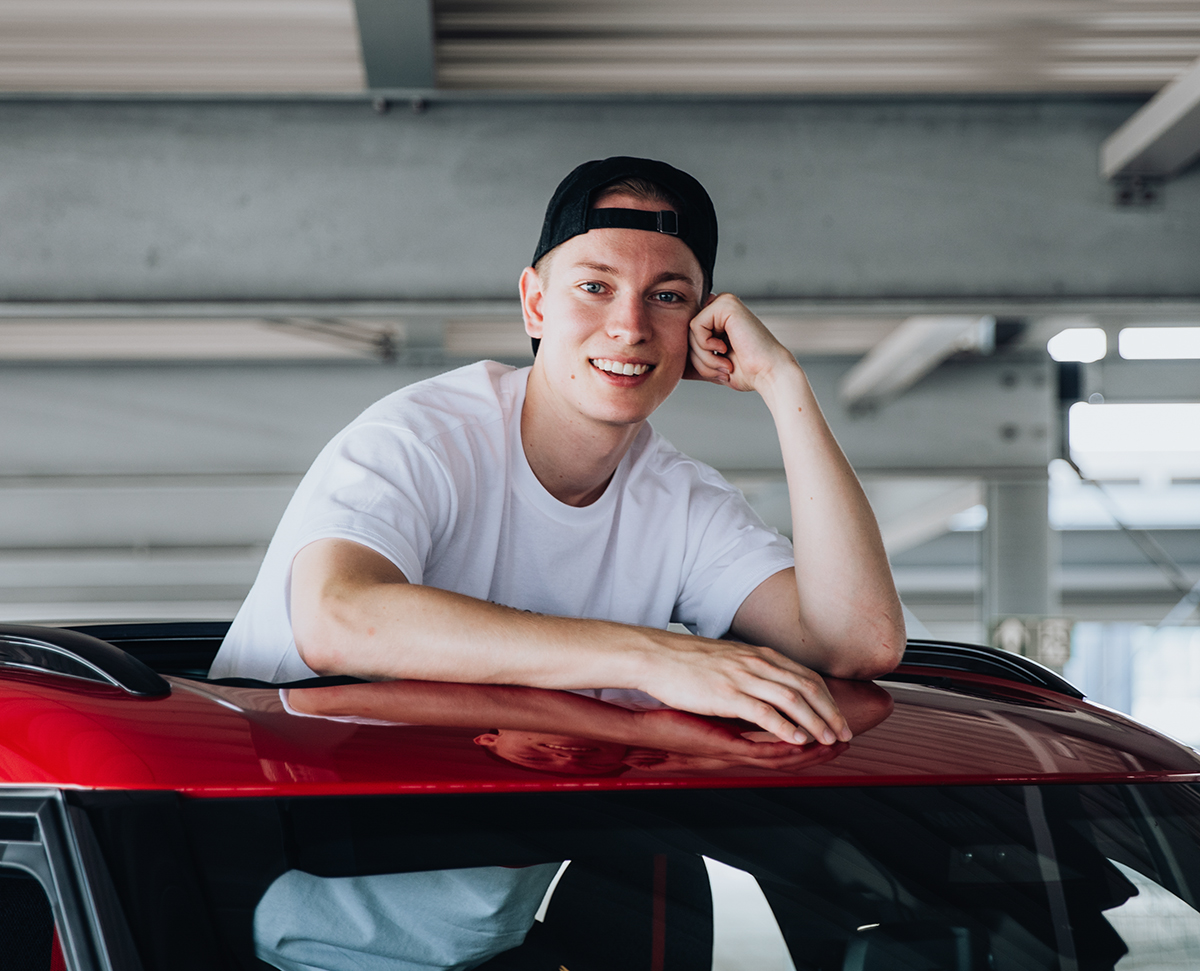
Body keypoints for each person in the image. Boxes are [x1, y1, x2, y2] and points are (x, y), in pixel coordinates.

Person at [209, 155, 905, 748]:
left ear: (700, 324)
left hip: (489, 894)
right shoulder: (421, 438)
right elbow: (338, 614)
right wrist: (652, 656)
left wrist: (783, 384)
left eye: (666, 296)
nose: (630, 326)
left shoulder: (680, 503)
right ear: (536, 304)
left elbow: (858, 641)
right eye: (595, 287)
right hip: (267, 879)